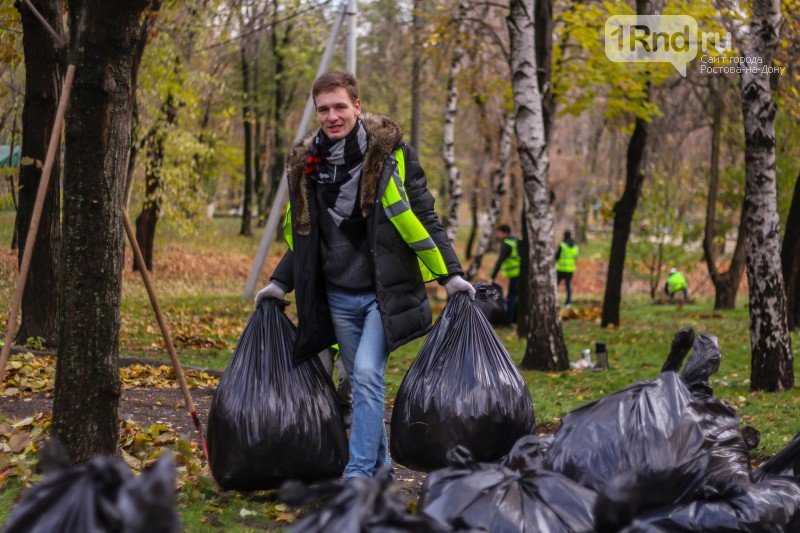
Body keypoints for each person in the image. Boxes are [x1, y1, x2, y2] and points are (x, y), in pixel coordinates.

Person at [254, 71, 475, 479]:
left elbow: (425, 216)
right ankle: (383, 470)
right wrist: (278, 282)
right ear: (316, 112)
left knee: (369, 375)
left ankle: (357, 474)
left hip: (383, 294)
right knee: (360, 384)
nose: (333, 116)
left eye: (340, 106)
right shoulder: (309, 167)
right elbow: (304, 235)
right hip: (337, 296)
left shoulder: (393, 157)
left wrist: (451, 275)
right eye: (324, 109)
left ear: (357, 106)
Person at [489, 225, 520, 325]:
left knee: (511, 297)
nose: (498, 235)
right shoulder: (515, 241)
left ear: (504, 233)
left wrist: (492, 277)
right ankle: (515, 319)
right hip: (519, 273)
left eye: (499, 233)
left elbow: (500, 261)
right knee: (515, 297)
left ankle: (509, 321)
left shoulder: (506, 244)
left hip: (514, 274)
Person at [555, 230, 579, 307]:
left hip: (561, 269)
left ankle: (554, 300)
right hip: (570, 269)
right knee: (568, 285)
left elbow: (557, 257)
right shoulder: (575, 246)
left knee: (555, 285)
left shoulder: (562, 245)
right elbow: (575, 257)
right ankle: (568, 303)